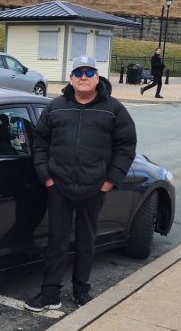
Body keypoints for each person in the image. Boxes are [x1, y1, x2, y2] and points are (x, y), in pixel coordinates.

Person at [24, 56, 137, 312]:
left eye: (88, 72)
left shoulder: (114, 109)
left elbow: (126, 146)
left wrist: (110, 181)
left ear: (97, 77)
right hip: (59, 186)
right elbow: (40, 143)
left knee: (86, 241)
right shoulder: (56, 107)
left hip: (94, 187)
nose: (83, 77)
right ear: (71, 78)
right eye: (78, 72)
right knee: (57, 241)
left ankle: (81, 291)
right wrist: (47, 177)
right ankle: (50, 294)